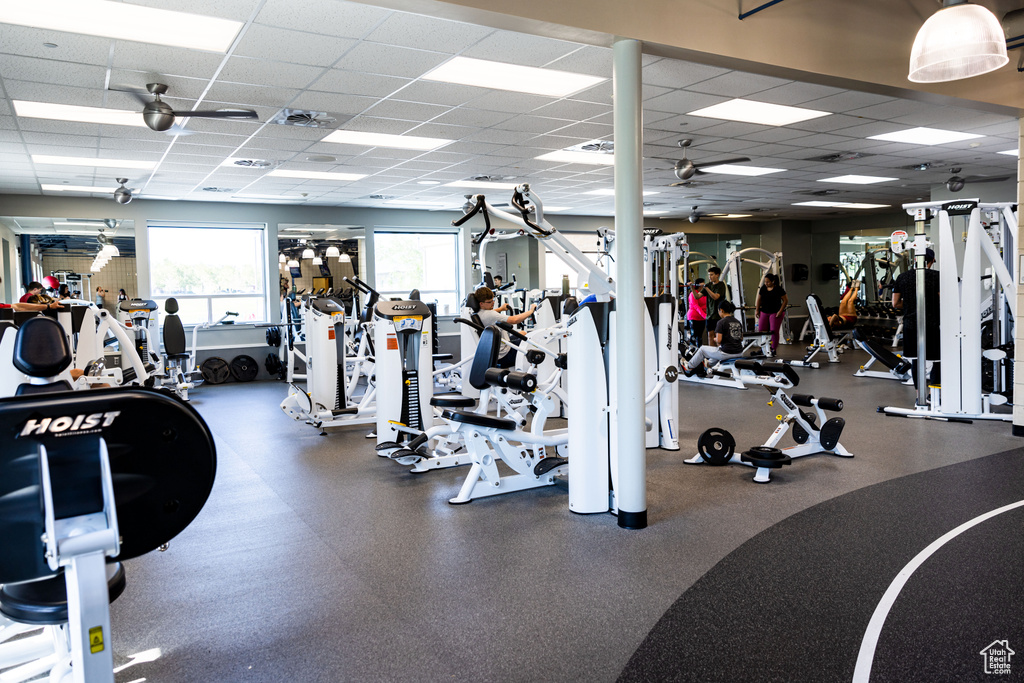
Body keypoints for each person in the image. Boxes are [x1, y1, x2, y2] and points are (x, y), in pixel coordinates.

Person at [892, 247, 940, 383]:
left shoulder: (902, 277)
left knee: (916, 361)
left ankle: (919, 396)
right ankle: (933, 395)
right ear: (932, 261)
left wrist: (910, 304)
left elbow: (895, 303)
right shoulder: (936, 276)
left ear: (915, 260)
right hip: (931, 324)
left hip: (911, 324)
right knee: (936, 361)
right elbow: (942, 300)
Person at [475, 286, 537, 368]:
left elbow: (491, 313)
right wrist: (531, 310)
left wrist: (500, 309)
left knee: (523, 333)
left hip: (499, 349)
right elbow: (515, 320)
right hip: (505, 355)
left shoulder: (479, 313)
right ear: (481, 304)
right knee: (534, 342)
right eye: (490, 302)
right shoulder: (490, 314)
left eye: (493, 300)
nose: (493, 303)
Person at [683, 300, 744, 376]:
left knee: (702, 349)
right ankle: (708, 364)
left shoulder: (721, 322)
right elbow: (741, 338)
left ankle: (689, 366)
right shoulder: (738, 322)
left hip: (727, 353)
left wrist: (714, 339)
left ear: (721, 310)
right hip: (739, 352)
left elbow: (718, 341)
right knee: (718, 350)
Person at [755, 272, 788, 356]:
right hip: (764, 311)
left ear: (773, 281)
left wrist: (780, 311)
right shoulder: (763, 288)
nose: (766, 283)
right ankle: (762, 349)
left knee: (774, 331)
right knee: (762, 330)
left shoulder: (778, 289)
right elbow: (759, 299)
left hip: (775, 312)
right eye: (765, 282)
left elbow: (785, 300)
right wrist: (757, 310)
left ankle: (773, 349)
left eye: (768, 282)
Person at [702, 266, 727, 345]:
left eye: (712, 275)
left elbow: (716, 297)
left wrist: (707, 289)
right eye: (709, 275)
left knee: (718, 336)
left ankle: (719, 354)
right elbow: (697, 296)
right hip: (709, 315)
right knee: (710, 335)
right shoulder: (708, 285)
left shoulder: (721, 285)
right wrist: (692, 287)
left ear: (717, 275)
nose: (710, 277)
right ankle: (711, 355)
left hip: (718, 315)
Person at [685, 278, 708, 347]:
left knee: (700, 337)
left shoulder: (704, 294)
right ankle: (693, 352)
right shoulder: (693, 294)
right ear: (699, 284)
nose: (704, 285)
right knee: (694, 336)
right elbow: (696, 306)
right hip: (694, 317)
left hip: (702, 318)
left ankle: (700, 353)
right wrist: (704, 315)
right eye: (702, 283)